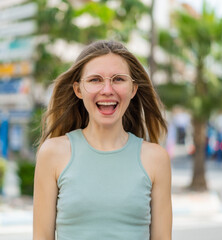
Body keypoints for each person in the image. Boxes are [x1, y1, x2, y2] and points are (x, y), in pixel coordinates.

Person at [33, 40, 172, 240]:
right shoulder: (53, 153)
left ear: (133, 89)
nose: (107, 90)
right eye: (95, 80)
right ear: (78, 89)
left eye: (118, 79)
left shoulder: (156, 159)